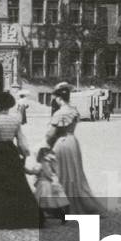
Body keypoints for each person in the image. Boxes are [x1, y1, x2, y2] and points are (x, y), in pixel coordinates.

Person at [0, 90, 41, 229]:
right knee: (17, 183)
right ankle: (23, 215)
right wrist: (25, 153)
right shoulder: (15, 120)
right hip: (12, 152)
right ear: (9, 105)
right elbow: (21, 139)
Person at [46, 82, 106, 215]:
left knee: (58, 173)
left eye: (55, 97)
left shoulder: (59, 113)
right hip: (73, 142)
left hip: (61, 142)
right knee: (74, 175)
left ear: (59, 98)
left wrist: (47, 144)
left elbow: (51, 133)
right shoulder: (74, 111)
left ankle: (59, 205)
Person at [26, 146, 69, 224]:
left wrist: (25, 170)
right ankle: (61, 216)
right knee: (50, 204)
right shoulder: (48, 163)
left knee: (42, 204)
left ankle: (42, 219)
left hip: (43, 185)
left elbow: (34, 172)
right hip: (47, 184)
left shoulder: (42, 164)